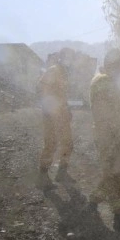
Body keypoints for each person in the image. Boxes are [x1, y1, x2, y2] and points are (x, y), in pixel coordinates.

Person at [86, 48, 120, 234]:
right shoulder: (102, 82)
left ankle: (92, 203)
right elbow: (106, 116)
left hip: (113, 136)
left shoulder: (107, 81)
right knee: (113, 175)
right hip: (109, 138)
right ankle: (119, 216)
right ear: (112, 64)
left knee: (116, 174)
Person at [36, 47, 75, 190]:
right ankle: (42, 177)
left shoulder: (64, 73)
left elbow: (62, 95)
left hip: (62, 114)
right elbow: (40, 88)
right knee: (51, 144)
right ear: (62, 57)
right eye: (68, 57)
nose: (70, 60)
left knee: (68, 143)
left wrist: (67, 109)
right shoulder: (53, 70)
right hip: (51, 114)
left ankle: (62, 173)